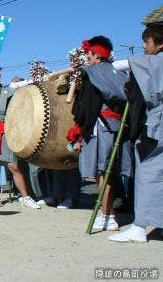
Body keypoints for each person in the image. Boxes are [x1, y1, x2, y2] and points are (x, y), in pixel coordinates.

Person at [68, 36, 132, 230]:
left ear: (96, 54)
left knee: (102, 172)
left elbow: (87, 104)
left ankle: (108, 215)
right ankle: (108, 213)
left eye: (88, 53)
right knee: (108, 171)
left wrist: (79, 124)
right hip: (117, 126)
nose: (86, 57)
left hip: (99, 124)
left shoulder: (92, 73)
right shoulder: (120, 74)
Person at [109, 21, 163, 242]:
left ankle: (140, 226)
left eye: (146, 42)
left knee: (148, 175)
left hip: (156, 127)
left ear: (160, 44)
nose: (143, 46)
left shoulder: (153, 64)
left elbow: (123, 68)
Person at [0, 63, 41, 209]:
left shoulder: (10, 92)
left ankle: (25, 197)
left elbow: (20, 109)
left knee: (13, 166)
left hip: (7, 130)